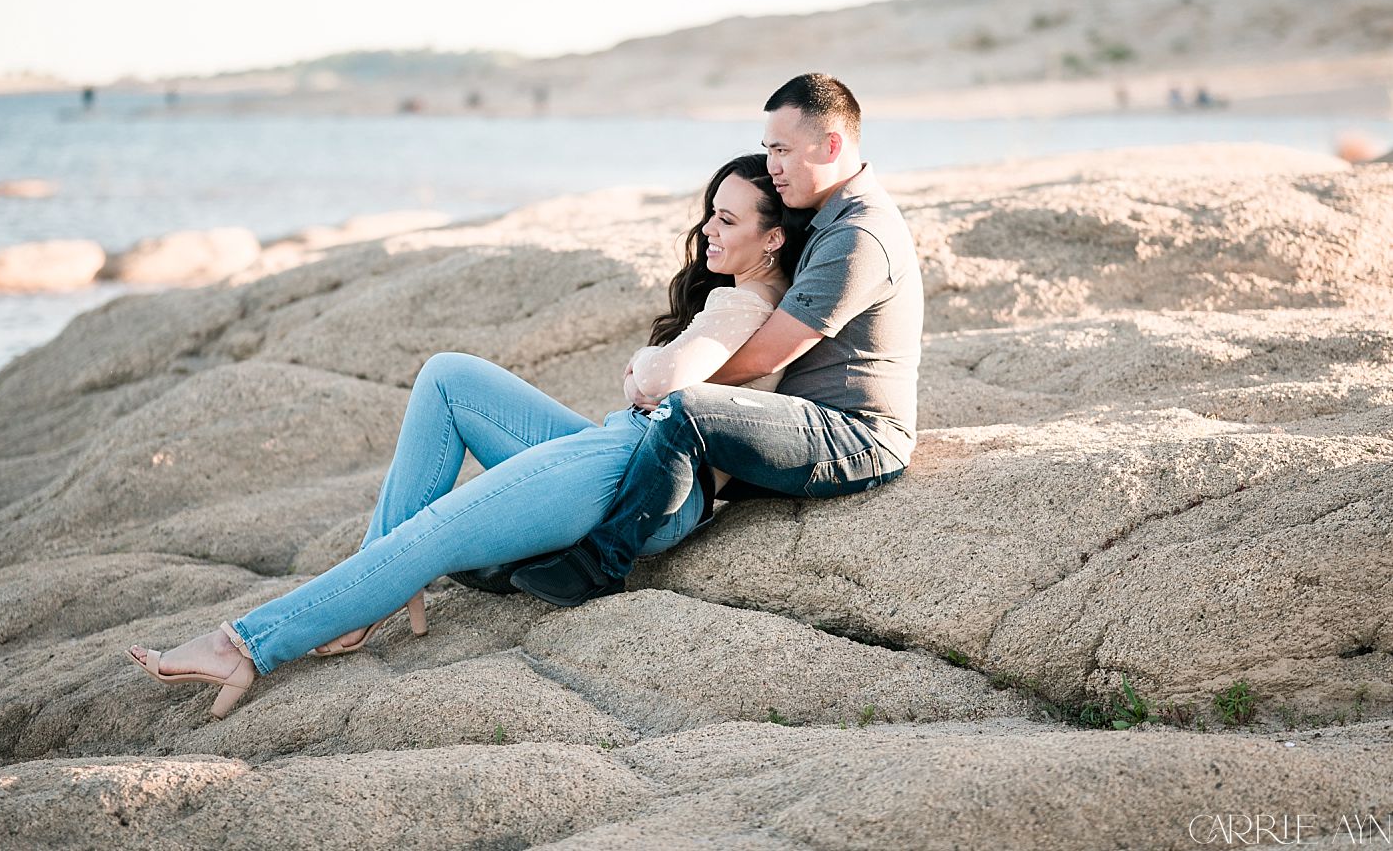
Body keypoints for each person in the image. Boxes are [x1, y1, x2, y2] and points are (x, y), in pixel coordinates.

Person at [126, 153, 806, 717]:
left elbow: (663, 382)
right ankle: (370, 592)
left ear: (773, 238)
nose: (708, 230)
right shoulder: (748, 296)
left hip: (642, 477)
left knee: (439, 528)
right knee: (449, 378)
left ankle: (244, 646)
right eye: (710, 213)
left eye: (727, 219)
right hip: (623, 452)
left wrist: (639, 372)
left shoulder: (743, 300)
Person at [510, 73, 923, 606]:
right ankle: (521, 551)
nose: (772, 166)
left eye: (782, 150)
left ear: (832, 145)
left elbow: (771, 353)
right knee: (658, 438)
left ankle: (601, 564)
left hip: (857, 437)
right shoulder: (825, 216)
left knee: (690, 413)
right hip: (802, 420)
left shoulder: (858, 234)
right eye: (767, 149)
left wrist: (667, 386)